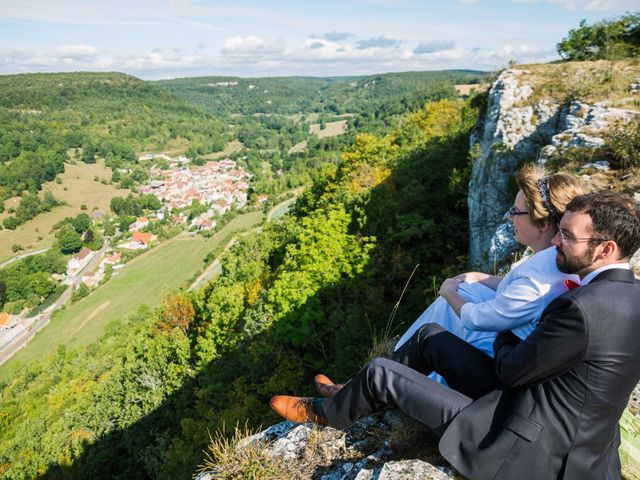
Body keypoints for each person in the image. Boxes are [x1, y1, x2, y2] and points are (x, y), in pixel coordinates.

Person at [271, 191, 640, 480]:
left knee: (381, 372)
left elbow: (512, 369)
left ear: (606, 249)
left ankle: (328, 414)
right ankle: (353, 397)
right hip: (556, 424)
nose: (557, 240)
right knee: (429, 336)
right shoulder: (629, 295)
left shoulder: (582, 307)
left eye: (568, 236)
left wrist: (507, 326)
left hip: (525, 447)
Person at [395, 165, 583, 374]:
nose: (509, 217)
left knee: (448, 306)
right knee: (467, 290)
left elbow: (479, 319)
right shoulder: (556, 260)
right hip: (514, 341)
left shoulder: (536, 276)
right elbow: (518, 297)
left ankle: (397, 369)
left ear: (543, 224)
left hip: (501, 358)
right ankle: (400, 364)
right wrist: (480, 278)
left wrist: (448, 292)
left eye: (515, 212)